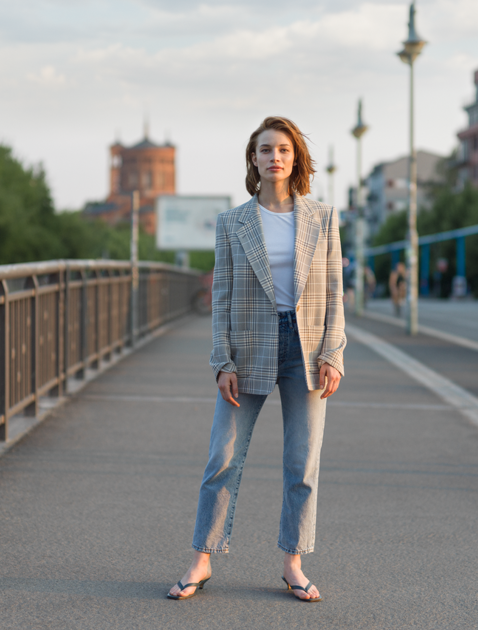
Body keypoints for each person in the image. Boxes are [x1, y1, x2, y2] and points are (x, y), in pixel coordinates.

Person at [168, 116, 346, 601]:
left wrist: (333, 353)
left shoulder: (324, 218)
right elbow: (221, 294)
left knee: (301, 461)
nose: (275, 157)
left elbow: (334, 292)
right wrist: (222, 360)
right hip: (248, 350)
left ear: (295, 158)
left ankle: (293, 562)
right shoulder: (233, 223)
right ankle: (201, 559)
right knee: (222, 456)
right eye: (266, 149)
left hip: (305, 349)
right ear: (254, 158)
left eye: (284, 149)